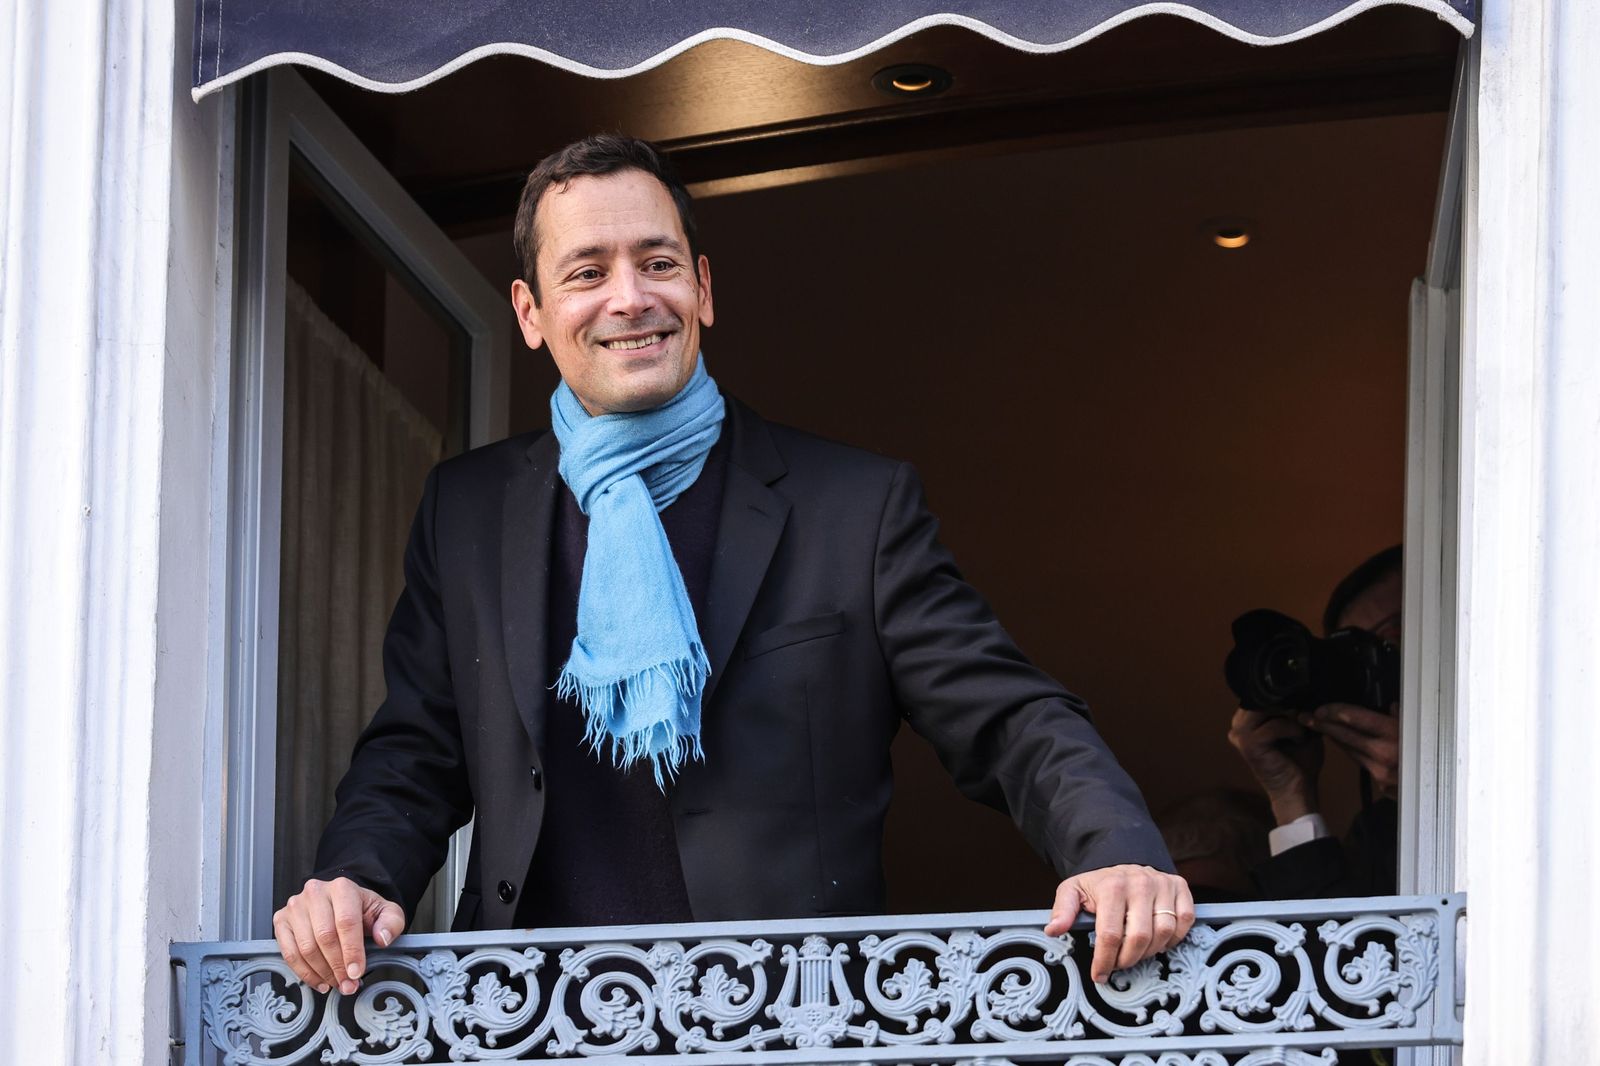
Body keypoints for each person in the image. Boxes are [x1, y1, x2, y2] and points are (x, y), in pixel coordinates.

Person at [271, 134, 1192, 1000]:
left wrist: (1112, 849)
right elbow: (415, 752)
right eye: (587, 273)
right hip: (531, 1026)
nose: (630, 297)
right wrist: (356, 878)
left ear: (703, 288)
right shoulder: (466, 513)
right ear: (530, 312)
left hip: (781, 1024)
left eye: (658, 263)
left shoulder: (854, 509)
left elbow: (1007, 716)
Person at [1227, 546, 1402, 898]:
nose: (1379, 660)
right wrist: (1291, 796)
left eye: (1392, 640)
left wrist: (1437, 782)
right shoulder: (1378, 830)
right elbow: (1328, 951)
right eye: (1357, 652)